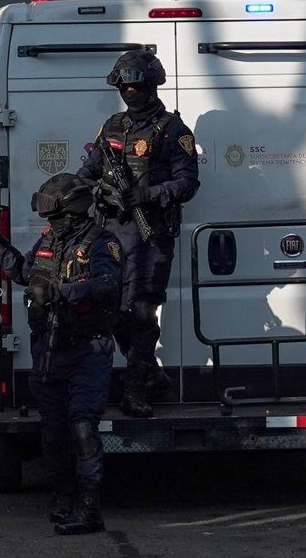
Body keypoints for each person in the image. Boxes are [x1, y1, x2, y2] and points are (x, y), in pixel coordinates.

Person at [0, 172, 122, 536]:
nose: (51, 222)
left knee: (83, 428)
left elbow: (108, 285)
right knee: (53, 431)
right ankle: (62, 501)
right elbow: (23, 271)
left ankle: (90, 511)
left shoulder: (102, 243)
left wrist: (62, 292)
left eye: (55, 216)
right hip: (50, 351)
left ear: (71, 213)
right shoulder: (49, 240)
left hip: (87, 351)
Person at [77, 49, 199, 418]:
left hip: (151, 235)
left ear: (151, 86)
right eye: (124, 87)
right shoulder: (112, 127)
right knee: (110, 309)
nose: (129, 92)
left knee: (143, 310)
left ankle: (135, 390)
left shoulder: (173, 130)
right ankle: (153, 376)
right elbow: (87, 175)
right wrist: (100, 192)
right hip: (111, 233)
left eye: (136, 86)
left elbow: (187, 183)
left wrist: (148, 194)